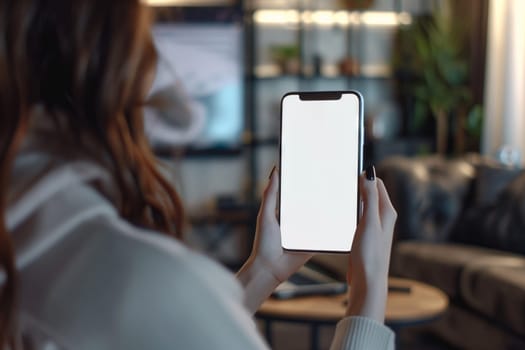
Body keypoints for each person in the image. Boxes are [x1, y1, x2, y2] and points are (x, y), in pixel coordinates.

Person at [0, 0, 397, 349]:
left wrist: (264, 270)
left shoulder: (25, 253)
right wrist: (368, 294)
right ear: (114, 62)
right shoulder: (145, 278)